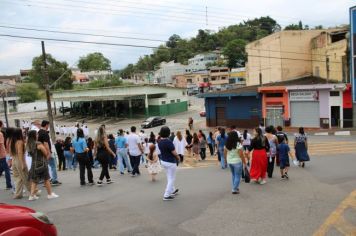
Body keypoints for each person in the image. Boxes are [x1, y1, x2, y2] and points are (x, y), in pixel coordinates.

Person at [27, 130, 59, 200]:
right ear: (34, 136)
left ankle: (31, 195)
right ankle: (50, 194)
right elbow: (45, 152)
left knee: (34, 180)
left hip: (34, 163)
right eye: (36, 134)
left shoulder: (29, 144)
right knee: (46, 179)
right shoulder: (38, 144)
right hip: (41, 163)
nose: (38, 135)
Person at [158, 126, 180, 201]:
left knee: (169, 176)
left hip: (163, 161)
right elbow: (174, 152)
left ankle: (172, 190)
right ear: (168, 133)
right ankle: (166, 195)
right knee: (172, 178)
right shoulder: (168, 141)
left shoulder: (159, 141)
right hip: (170, 162)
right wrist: (178, 157)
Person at [38, 120, 61, 186]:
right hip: (46, 151)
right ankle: (54, 180)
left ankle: (46, 180)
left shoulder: (39, 132)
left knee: (45, 166)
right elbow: (46, 143)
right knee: (53, 165)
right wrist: (49, 152)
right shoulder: (45, 133)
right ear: (46, 125)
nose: (48, 127)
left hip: (41, 152)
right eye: (48, 125)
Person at [10, 128, 31, 199]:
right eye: (22, 132)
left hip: (14, 159)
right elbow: (20, 152)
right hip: (19, 160)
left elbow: (10, 152)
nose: (23, 133)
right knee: (25, 176)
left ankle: (18, 193)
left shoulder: (12, 142)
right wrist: (23, 163)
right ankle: (33, 190)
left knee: (17, 178)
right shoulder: (20, 142)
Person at [0, 121, 12, 190]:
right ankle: (9, 185)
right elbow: (1, 144)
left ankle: (9, 185)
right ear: (1, 125)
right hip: (2, 154)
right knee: (6, 169)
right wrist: (5, 152)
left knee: (2, 169)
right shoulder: (0, 134)